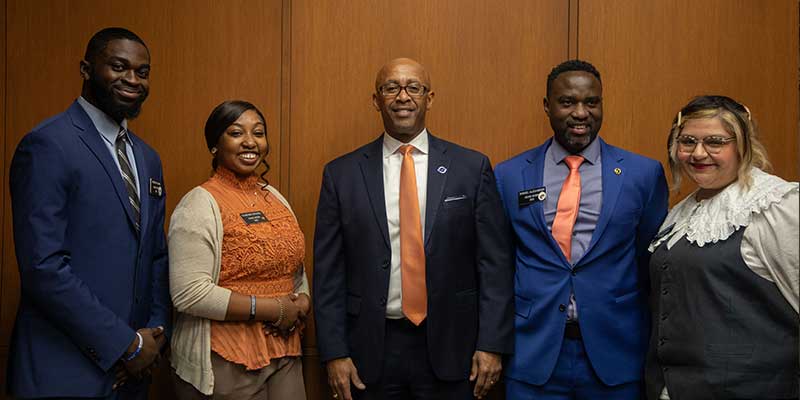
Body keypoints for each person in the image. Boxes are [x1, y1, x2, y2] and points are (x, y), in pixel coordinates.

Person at [313, 58, 514, 400]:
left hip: (454, 348)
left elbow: (494, 264)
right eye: (391, 88)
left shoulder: (470, 167)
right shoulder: (341, 174)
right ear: (376, 100)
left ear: (429, 98)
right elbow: (329, 272)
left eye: (413, 88)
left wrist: (492, 344)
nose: (402, 96)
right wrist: (334, 353)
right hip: (370, 350)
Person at [7, 27, 170, 399]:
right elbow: (43, 268)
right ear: (86, 69)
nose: (132, 79)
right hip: (65, 370)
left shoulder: (147, 158)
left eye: (142, 72)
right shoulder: (48, 144)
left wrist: (155, 337)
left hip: (134, 375)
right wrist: (124, 344)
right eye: (118, 66)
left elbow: (157, 257)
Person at [494, 59, 669, 399]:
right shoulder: (509, 175)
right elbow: (500, 264)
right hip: (533, 353)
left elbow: (650, 265)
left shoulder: (642, 174)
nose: (581, 113)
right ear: (547, 106)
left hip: (615, 353)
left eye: (591, 102)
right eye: (567, 102)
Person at [645, 95, 799, 400]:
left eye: (715, 142)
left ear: (742, 144)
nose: (698, 153)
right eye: (688, 141)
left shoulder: (775, 206)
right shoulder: (680, 213)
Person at [168, 100, 310, 399]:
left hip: (284, 349)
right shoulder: (199, 203)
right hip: (225, 355)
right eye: (236, 133)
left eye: (258, 133)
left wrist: (302, 303)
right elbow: (189, 293)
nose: (250, 142)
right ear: (215, 145)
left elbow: (295, 267)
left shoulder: (275, 199)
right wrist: (274, 309)